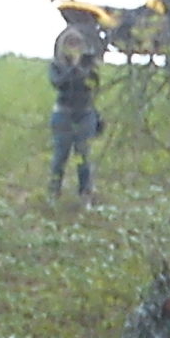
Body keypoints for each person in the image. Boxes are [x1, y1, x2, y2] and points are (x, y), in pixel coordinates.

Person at [49, 11, 105, 199]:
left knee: (83, 156)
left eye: (77, 44)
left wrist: (82, 67)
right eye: (70, 44)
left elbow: (93, 86)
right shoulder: (56, 66)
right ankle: (53, 193)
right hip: (63, 113)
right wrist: (72, 67)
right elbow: (59, 84)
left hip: (85, 113)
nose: (74, 48)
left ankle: (85, 194)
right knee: (60, 156)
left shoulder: (88, 65)